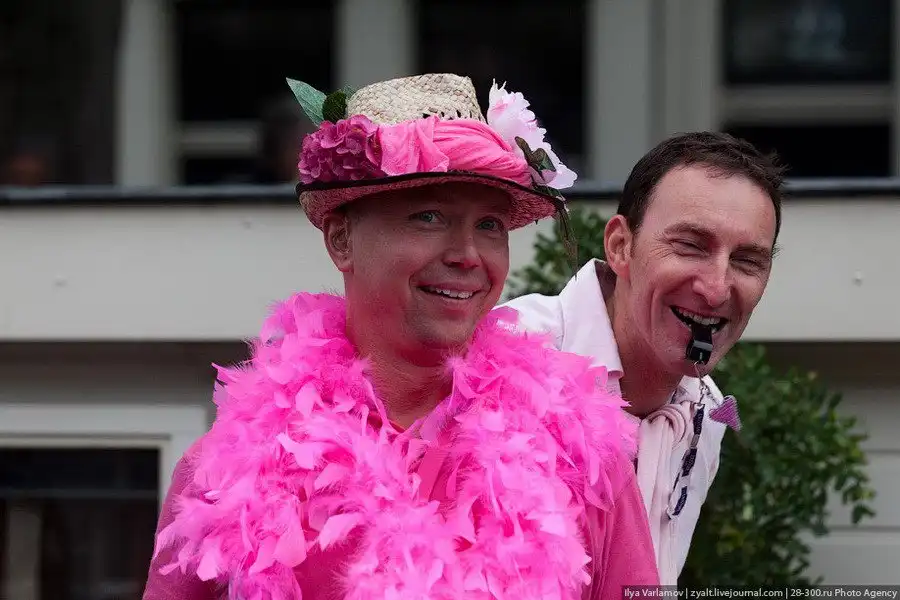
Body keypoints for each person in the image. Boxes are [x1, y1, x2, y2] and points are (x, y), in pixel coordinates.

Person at [142, 73, 659, 600]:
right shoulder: (229, 473)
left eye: (490, 226)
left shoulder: (581, 455)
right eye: (428, 217)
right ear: (341, 240)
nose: (468, 255)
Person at [505, 131, 784, 584]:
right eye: (690, 245)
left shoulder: (706, 411)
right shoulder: (503, 358)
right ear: (620, 246)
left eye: (747, 261)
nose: (716, 289)